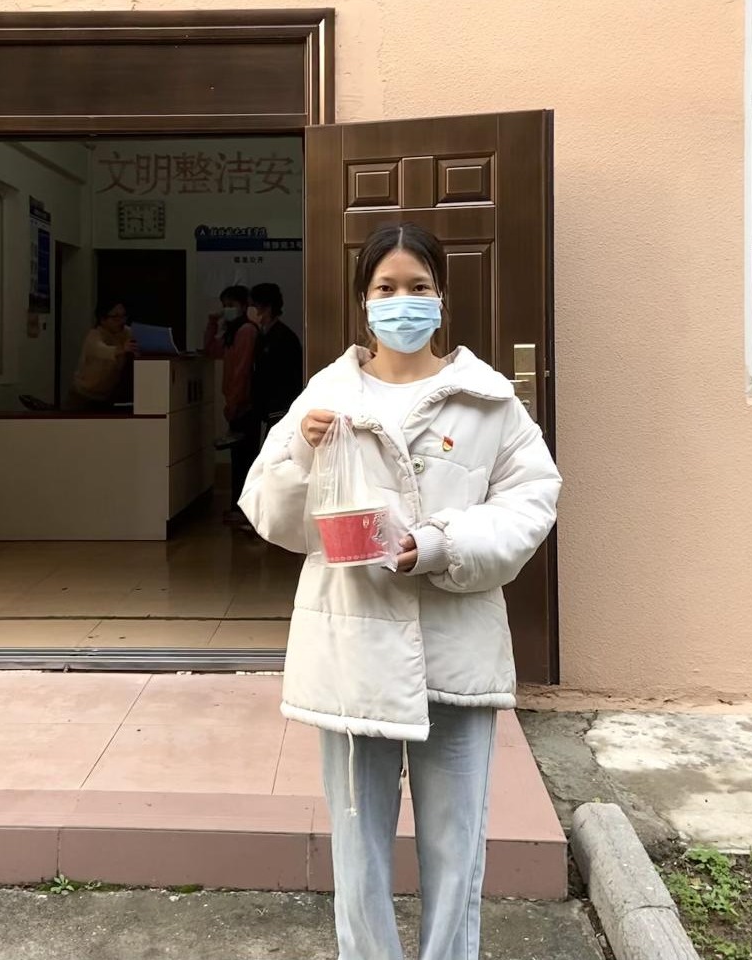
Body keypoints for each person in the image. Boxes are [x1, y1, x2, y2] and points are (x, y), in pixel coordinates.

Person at [239, 223, 561, 960]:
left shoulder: (489, 401)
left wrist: (440, 545)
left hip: (456, 649)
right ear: (364, 301)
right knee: (357, 850)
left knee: (457, 844)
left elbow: (531, 502)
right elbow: (270, 514)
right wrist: (300, 455)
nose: (402, 302)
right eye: (386, 288)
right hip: (353, 650)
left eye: (418, 287)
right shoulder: (325, 396)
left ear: (441, 298)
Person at [203, 284, 260, 521]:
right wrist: (212, 323)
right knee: (238, 458)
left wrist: (234, 402)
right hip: (236, 402)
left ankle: (243, 510)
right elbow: (210, 350)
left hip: (244, 404)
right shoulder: (232, 331)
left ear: (244, 306)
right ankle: (238, 508)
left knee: (244, 458)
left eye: (231, 305)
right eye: (224, 305)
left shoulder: (246, 330)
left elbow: (241, 370)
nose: (227, 309)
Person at [66, 299, 138, 411]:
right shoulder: (94, 335)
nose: (121, 321)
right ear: (103, 319)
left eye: (123, 316)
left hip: (107, 396)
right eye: (115, 317)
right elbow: (101, 350)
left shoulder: (126, 332)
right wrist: (121, 349)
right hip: (83, 396)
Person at [248, 282, 303, 431]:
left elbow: (289, 378)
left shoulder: (284, 337)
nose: (250, 310)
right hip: (266, 408)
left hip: (279, 409)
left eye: (254, 306)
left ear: (267, 308)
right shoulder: (262, 335)